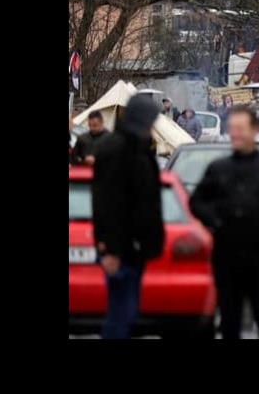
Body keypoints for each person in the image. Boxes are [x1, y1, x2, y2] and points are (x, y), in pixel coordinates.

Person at [189, 106, 259, 339]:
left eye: (240, 129)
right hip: (228, 256)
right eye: (232, 129)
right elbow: (197, 201)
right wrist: (216, 221)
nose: (235, 134)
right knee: (230, 322)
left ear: (255, 130)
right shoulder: (219, 168)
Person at [91, 94, 165, 338]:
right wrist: (110, 249)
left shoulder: (136, 147)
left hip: (134, 246)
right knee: (121, 314)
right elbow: (107, 204)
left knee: (126, 313)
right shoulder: (118, 150)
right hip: (122, 248)